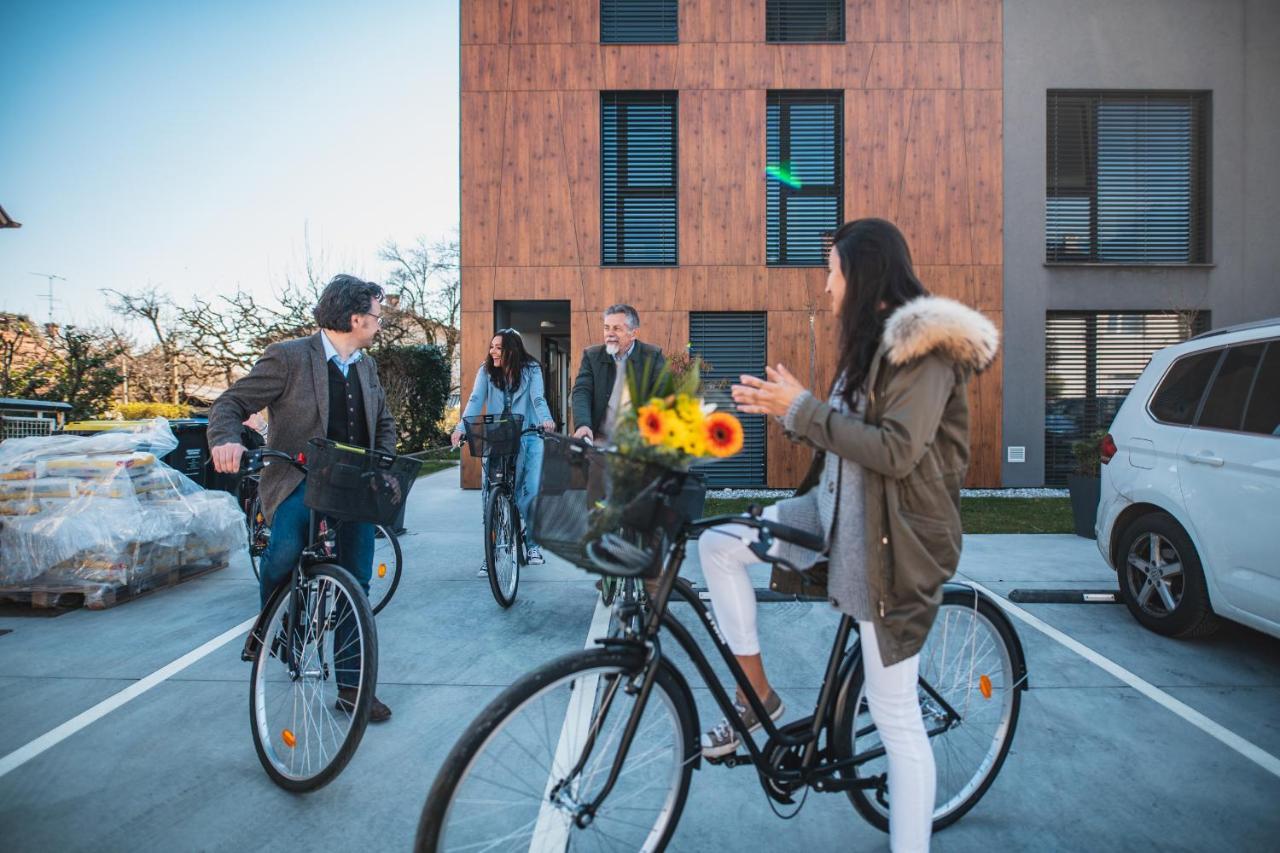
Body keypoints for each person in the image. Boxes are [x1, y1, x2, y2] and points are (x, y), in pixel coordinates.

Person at [701, 218, 998, 853]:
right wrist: (789, 411)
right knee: (718, 543)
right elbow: (841, 433)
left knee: (896, 720)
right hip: (837, 513)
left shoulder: (924, 349)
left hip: (893, 542)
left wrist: (803, 410)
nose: (826, 286)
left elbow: (894, 451)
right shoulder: (868, 343)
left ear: (861, 275)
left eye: (832, 271)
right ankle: (758, 696)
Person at [209, 274, 397, 723]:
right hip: (299, 480)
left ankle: (353, 689)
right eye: (376, 315)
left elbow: (384, 423)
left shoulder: (366, 367)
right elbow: (229, 404)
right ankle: (272, 617)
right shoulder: (289, 358)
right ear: (355, 318)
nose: (379, 322)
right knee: (286, 547)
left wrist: (385, 465)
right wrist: (225, 440)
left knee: (358, 583)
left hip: (354, 487)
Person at [451, 329, 556, 574]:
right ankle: (492, 552)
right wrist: (461, 428)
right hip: (498, 436)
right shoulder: (486, 370)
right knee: (491, 495)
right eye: (492, 347)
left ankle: (532, 546)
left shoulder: (531, 369)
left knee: (529, 492)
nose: (493, 352)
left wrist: (546, 420)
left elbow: (537, 398)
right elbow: (476, 399)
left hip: (529, 434)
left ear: (512, 350)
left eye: (499, 348)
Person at [570, 304, 666, 444]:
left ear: (633, 333)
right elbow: (582, 391)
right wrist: (583, 424)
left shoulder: (653, 356)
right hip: (599, 440)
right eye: (606, 328)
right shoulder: (592, 356)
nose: (610, 333)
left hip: (638, 443)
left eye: (617, 329)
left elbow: (662, 396)